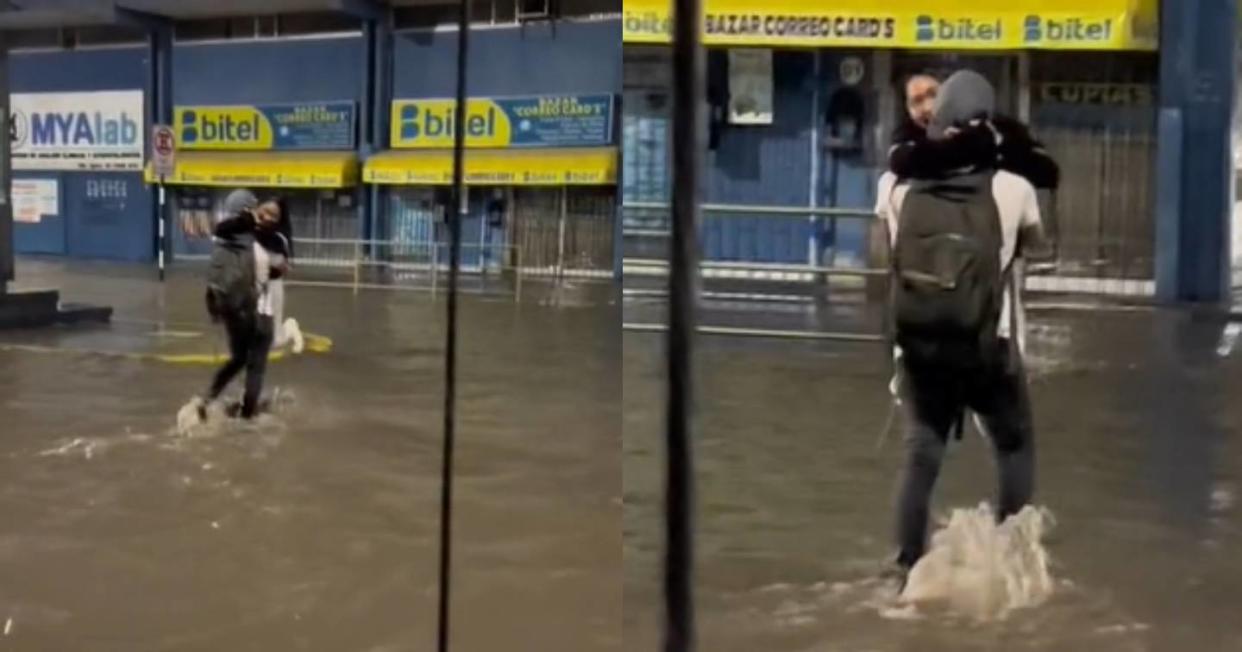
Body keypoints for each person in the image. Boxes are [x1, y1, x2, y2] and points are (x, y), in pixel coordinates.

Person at [875, 70, 1048, 583]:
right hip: (988, 347)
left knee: (921, 456)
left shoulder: (896, 188)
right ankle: (1011, 560)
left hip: (921, 347)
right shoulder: (1014, 188)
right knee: (1014, 447)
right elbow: (1035, 245)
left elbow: (890, 248)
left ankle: (905, 569)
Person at [889, 73, 1060, 193]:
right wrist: (964, 144)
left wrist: (996, 144)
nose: (928, 106)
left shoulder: (996, 125)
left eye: (934, 94)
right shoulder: (906, 137)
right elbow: (902, 161)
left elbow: (1048, 172)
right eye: (917, 101)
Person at [197, 189, 280, 421]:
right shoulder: (242, 235)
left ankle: (208, 399)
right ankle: (248, 414)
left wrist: (214, 307)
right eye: (254, 208)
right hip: (253, 309)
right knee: (256, 363)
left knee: (239, 358)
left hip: (231, 307)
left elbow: (216, 277)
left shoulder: (226, 241)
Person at [254, 197, 304, 355]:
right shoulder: (252, 229)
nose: (266, 215)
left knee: (276, 341)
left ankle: (290, 326)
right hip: (253, 285)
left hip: (272, 286)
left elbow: (279, 264)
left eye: (272, 213)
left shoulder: (279, 238)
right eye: (264, 210)